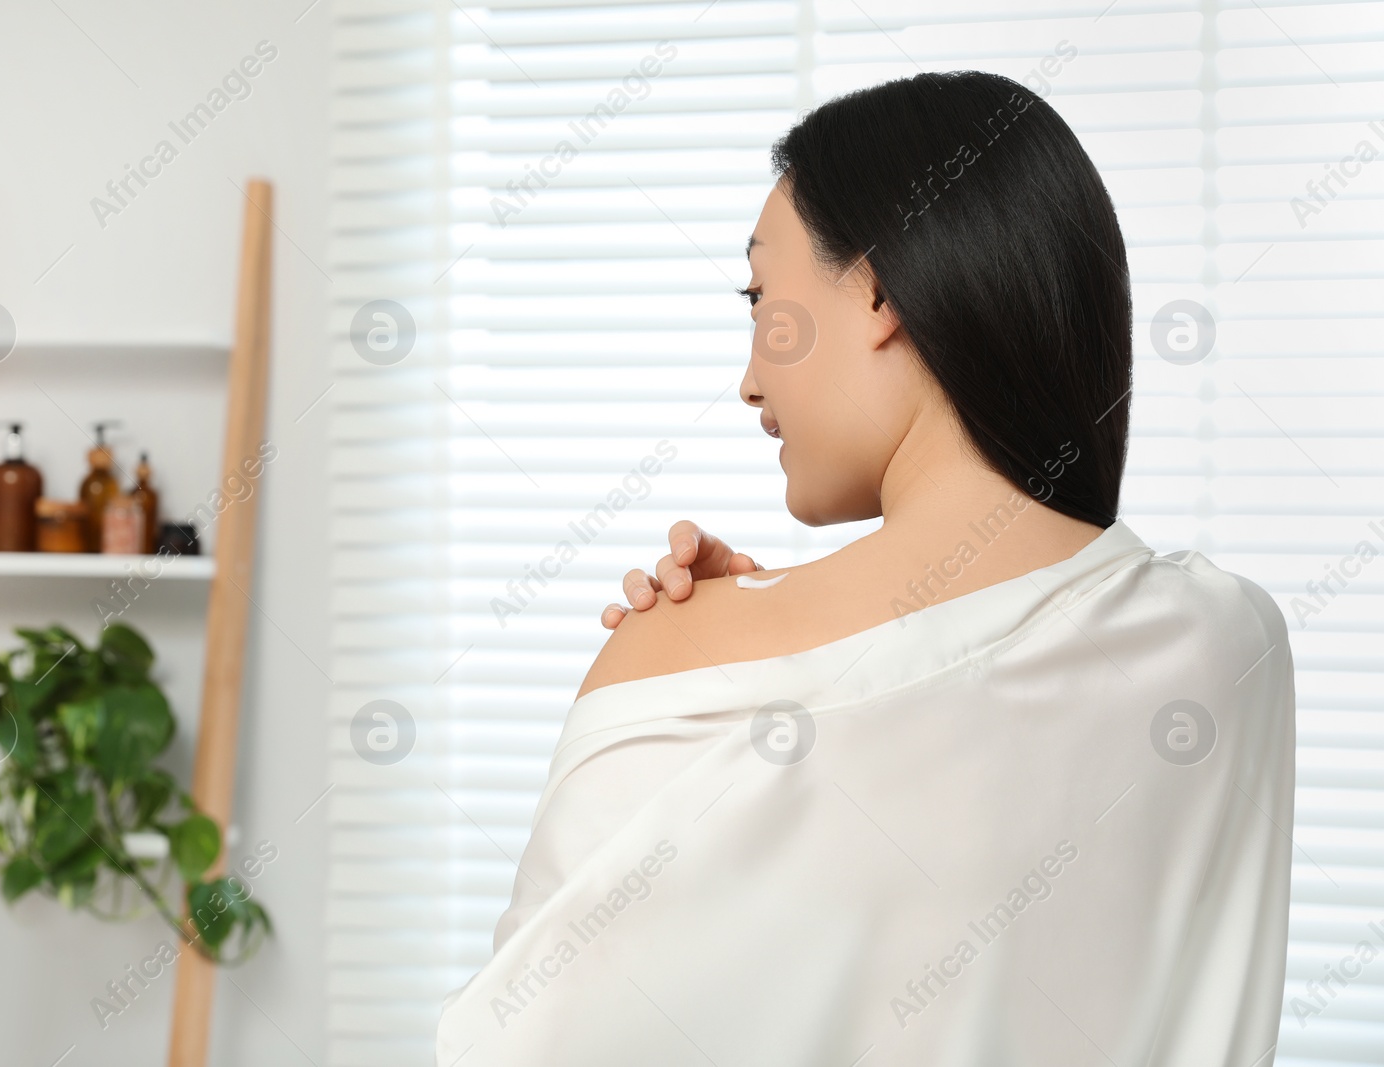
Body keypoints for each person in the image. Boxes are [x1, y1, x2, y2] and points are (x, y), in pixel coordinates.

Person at [437, 69, 1294, 1066]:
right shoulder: (1232, 642)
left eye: (762, 297)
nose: (750, 377)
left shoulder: (676, 664)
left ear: (883, 288)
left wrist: (729, 641)